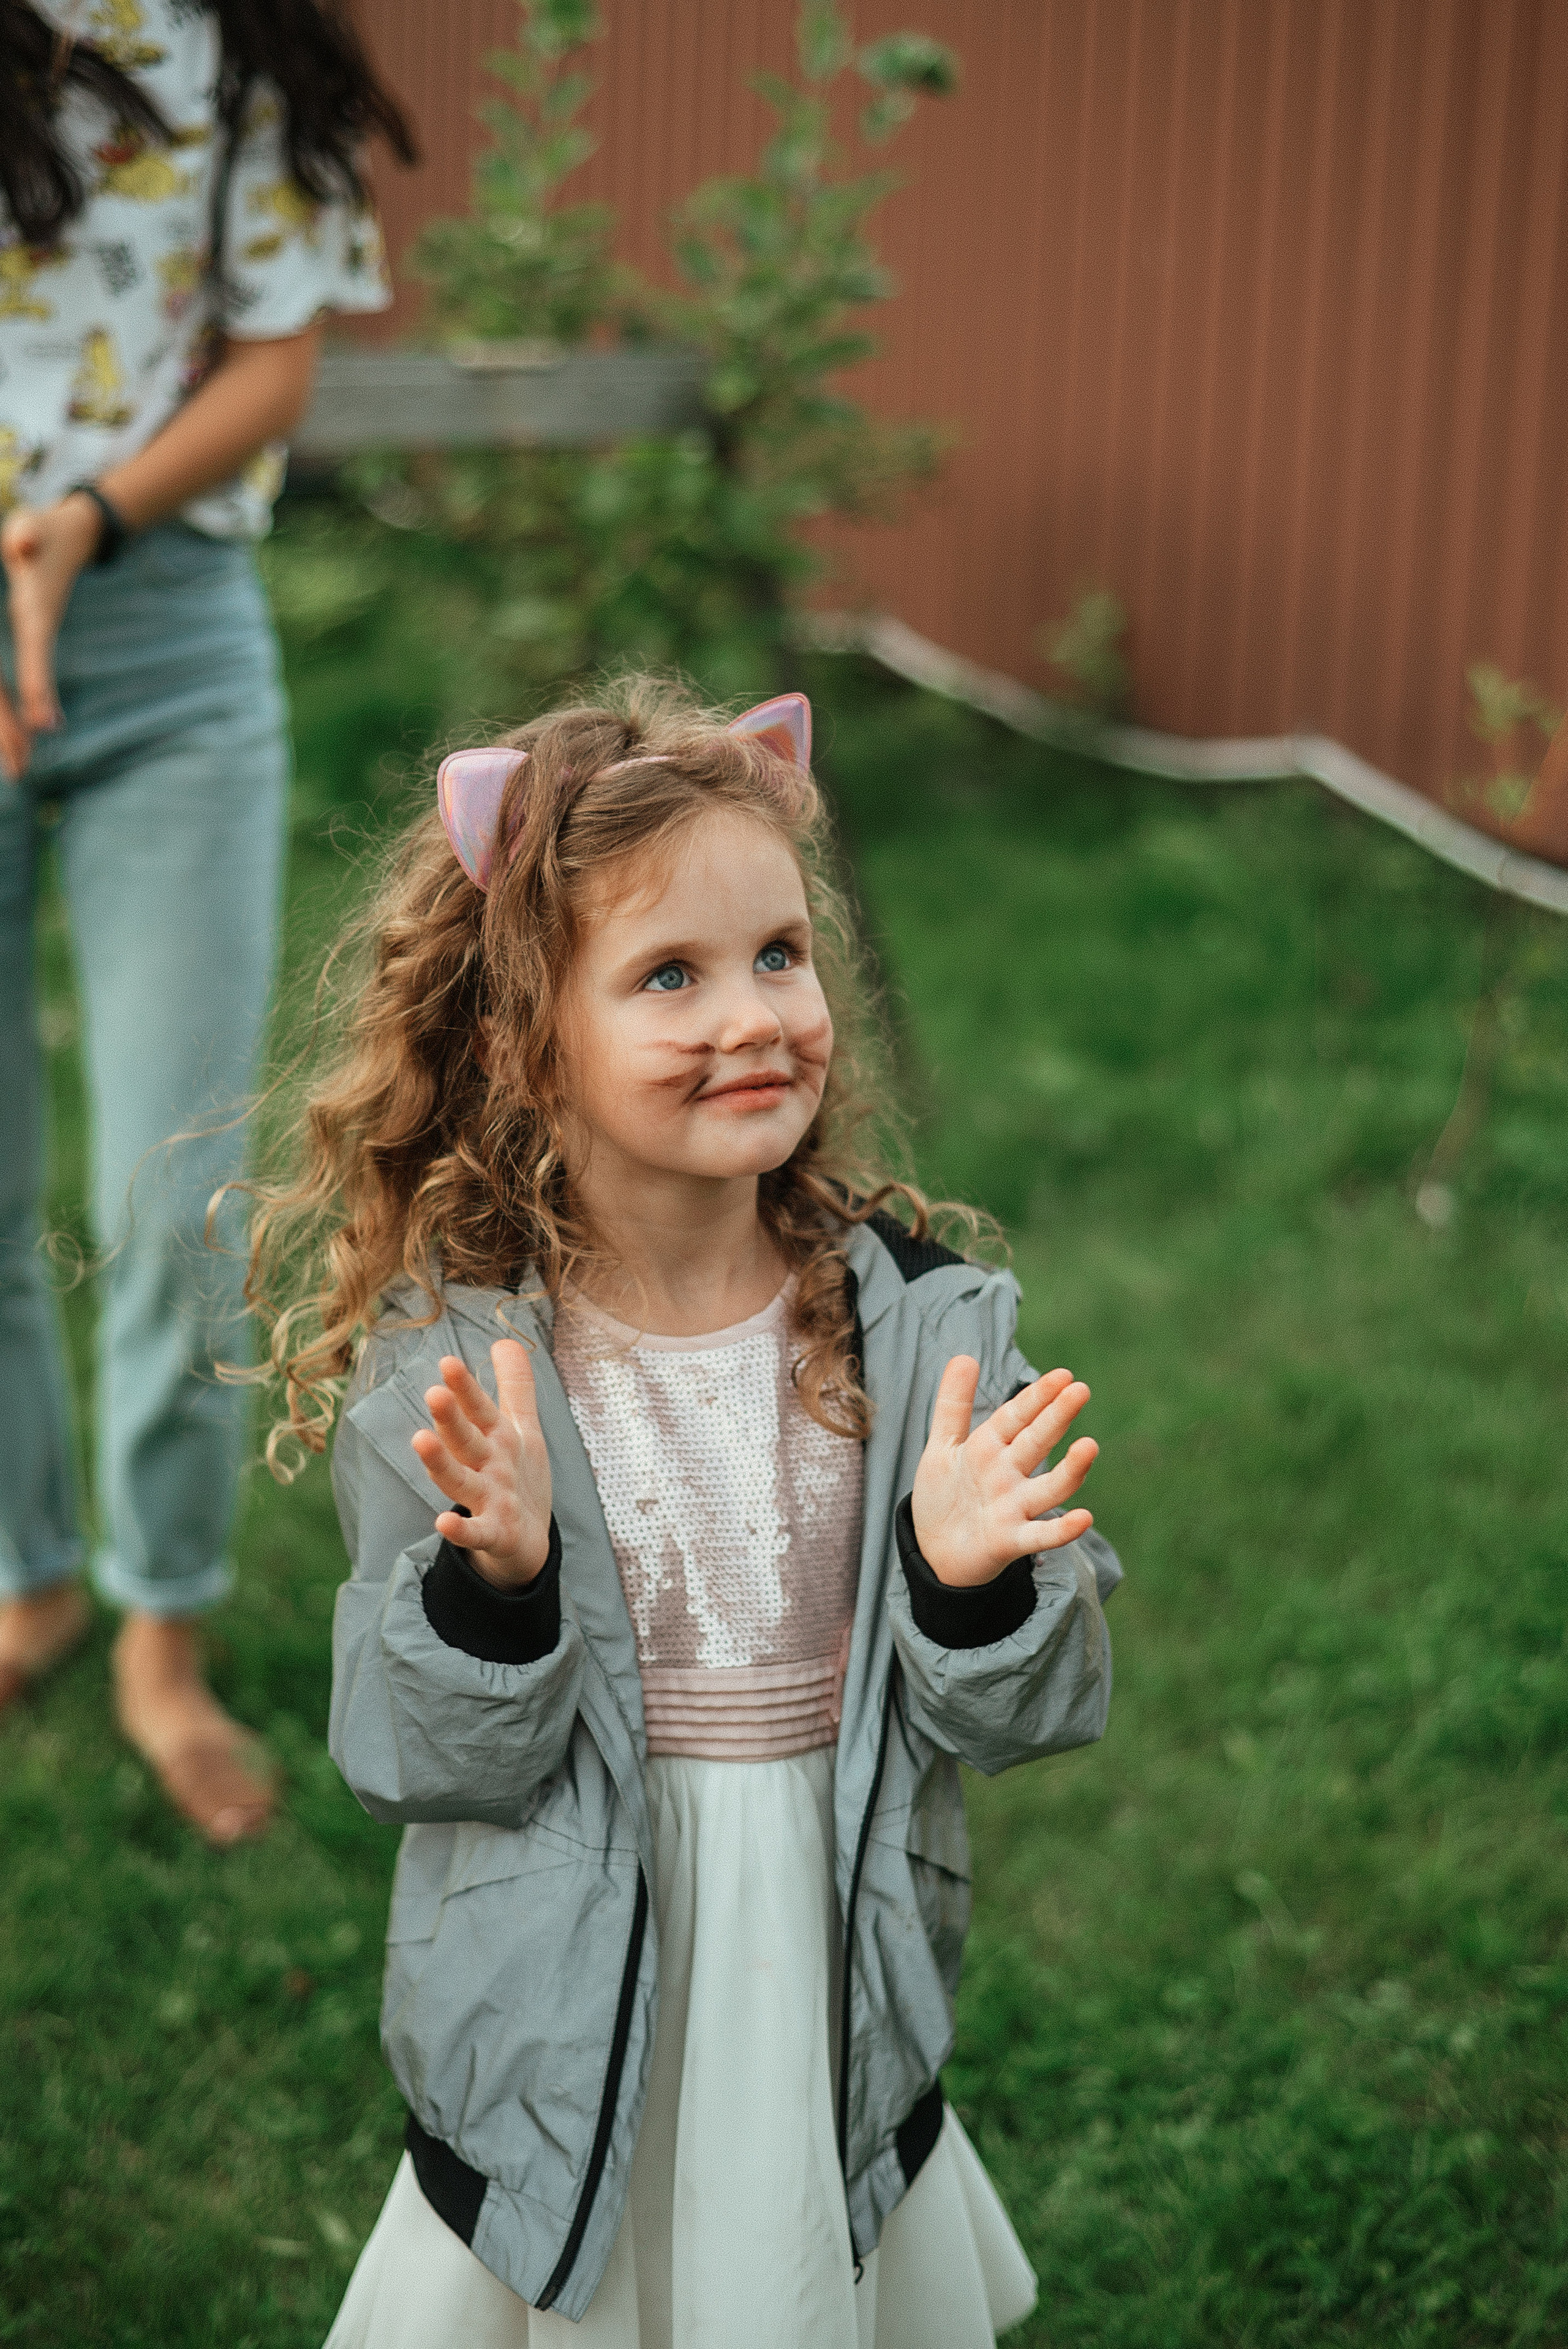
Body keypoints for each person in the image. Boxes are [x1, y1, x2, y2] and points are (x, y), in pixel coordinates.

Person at [244, 677, 1125, 2347]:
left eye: (780, 955)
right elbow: (411, 1752)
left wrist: (971, 1585)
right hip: (575, 1996)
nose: (757, 1014)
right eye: (671, 975)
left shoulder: (923, 1328)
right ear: (523, 1040)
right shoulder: (466, 1364)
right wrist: (493, 1588)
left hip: (820, 1959)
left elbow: (1037, 1708)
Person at [0, 0, 412, 1843]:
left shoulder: (239, 43)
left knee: (171, 1201)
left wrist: (74, 523)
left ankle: (163, 1632)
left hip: (167, 639)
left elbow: (273, 362)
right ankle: (34, 1575)